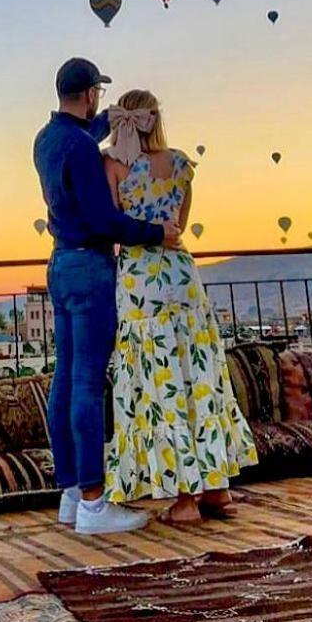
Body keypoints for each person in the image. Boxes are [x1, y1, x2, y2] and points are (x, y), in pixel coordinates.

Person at [34, 58, 182, 535]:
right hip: (91, 265)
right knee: (87, 384)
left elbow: (84, 131)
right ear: (91, 93)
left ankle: (72, 492)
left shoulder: (48, 139)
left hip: (59, 263)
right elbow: (105, 221)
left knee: (65, 379)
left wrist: (112, 120)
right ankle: (96, 505)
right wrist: (156, 232)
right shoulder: (81, 149)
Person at [101, 89, 257, 524]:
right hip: (182, 276)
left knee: (158, 379)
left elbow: (114, 223)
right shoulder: (182, 163)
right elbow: (180, 225)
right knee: (199, 375)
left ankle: (184, 499)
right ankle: (217, 489)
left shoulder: (111, 164)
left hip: (139, 280)